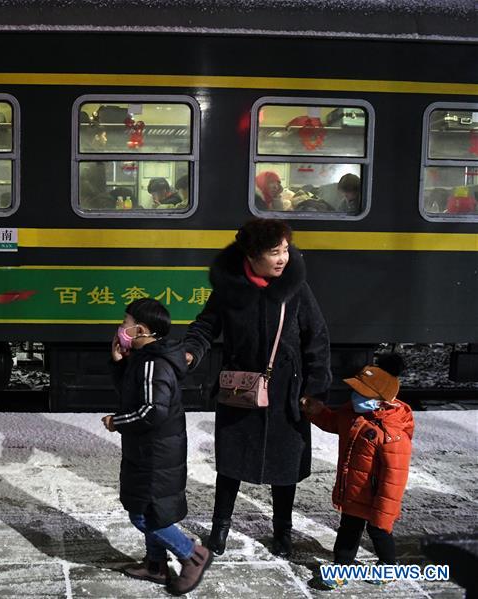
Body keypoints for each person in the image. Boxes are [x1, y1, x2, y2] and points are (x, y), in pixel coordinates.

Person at [180, 218, 331, 559]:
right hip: (240, 389)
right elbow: (206, 326)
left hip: (286, 394)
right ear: (251, 254)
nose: (283, 259)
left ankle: (283, 531)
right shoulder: (231, 288)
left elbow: (316, 338)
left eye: (286, 251)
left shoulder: (296, 288)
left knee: (284, 468)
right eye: (274, 252)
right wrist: (191, 350)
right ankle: (220, 528)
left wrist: (315, 389)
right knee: (231, 464)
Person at [102, 298, 212, 595]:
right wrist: (118, 362)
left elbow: (153, 410)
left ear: (141, 329)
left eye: (125, 322)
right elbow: (131, 392)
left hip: (155, 452)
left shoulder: (153, 362)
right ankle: (155, 566)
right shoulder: (143, 359)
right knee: (149, 508)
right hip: (149, 449)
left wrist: (118, 422)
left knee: (143, 514)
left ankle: (192, 555)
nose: (120, 328)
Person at [301, 355, 413, 590]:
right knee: (348, 530)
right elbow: (334, 422)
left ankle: (389, 566)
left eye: (361, 393)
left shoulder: (393, 434)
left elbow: (395, 478)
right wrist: (316, 411)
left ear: (381, 401)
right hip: (353, 491)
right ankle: (341, 568)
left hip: (377, 500)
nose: (354, 396)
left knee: (379, 531)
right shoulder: (354, 414)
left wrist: (385, 513)